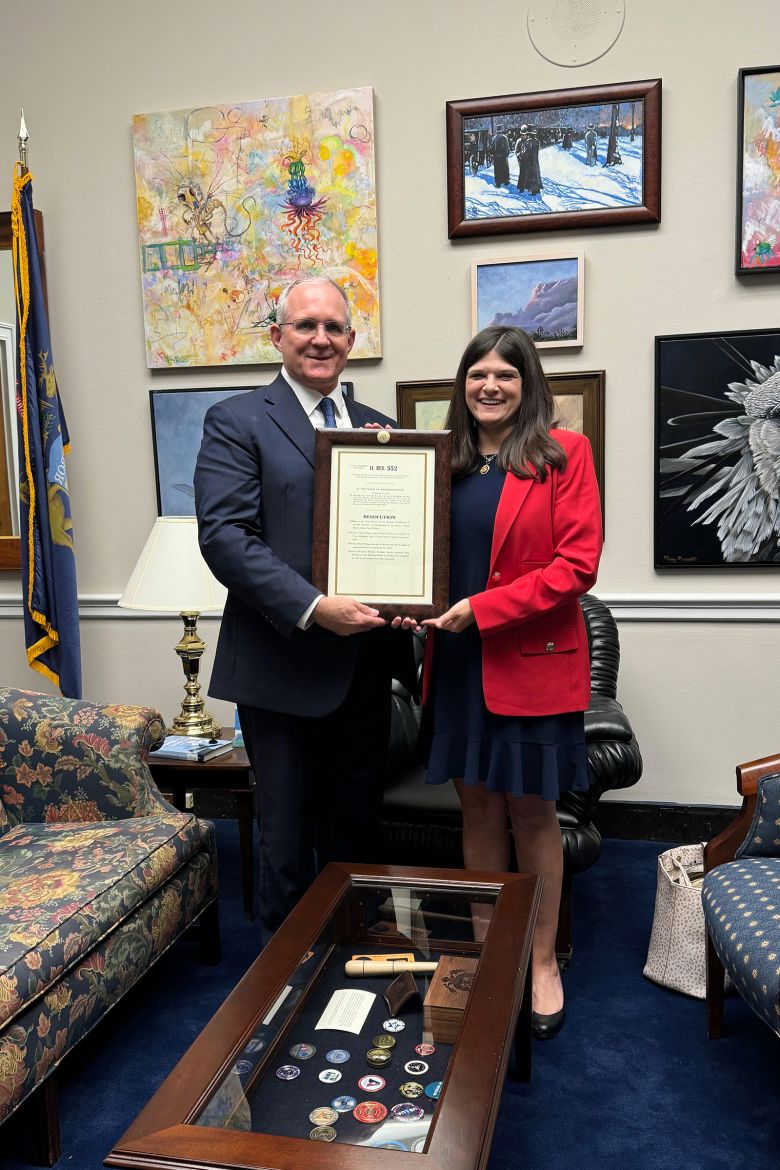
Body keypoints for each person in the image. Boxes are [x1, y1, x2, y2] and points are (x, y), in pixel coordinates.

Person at [194, 275, 408, 936]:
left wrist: (406, 600)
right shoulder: (237, 421)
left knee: (356, 831)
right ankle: (283, 984)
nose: (321, 339)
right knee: (284, 840)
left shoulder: (382, 430)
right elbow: (226, 538)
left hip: (363, 667)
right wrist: (315, 606)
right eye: (306, 325)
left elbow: (402, 540)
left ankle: (353, 966)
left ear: (351, 340)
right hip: (278, 666)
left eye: (334, 327)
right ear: (277, 336)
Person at [419, 326, 602, 1040]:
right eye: (476, 374)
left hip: (528, 662)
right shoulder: (444, 463)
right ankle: (487, 949)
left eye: (505, 374)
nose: (489, 385)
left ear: (529, 386)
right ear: (461, 385)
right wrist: (413, 609)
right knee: (476, 812)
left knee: (532, 815)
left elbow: (576, 566)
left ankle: (543, 957)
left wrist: (482, 610)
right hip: (459, 665)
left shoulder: (564, 455)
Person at [515, 124, 543, 195]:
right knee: (535, 176)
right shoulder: (537, 141)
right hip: (534, 162)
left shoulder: (528, 142)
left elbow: (524, 153)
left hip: (529, 162)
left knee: (531, 176)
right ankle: (536, 190)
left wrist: (521, 155)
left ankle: (532, 190)